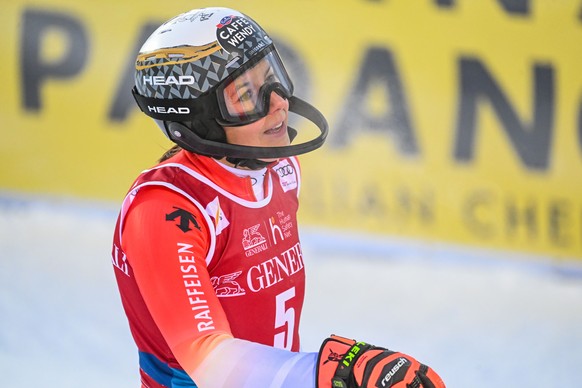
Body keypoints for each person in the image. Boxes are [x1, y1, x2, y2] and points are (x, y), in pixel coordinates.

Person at [111, 6, 445, 388]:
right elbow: (207, 357)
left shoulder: (280, 172)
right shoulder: (162, 210)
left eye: (274, 79)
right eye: (247, 95)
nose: (278, 103)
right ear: (198, 118)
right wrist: (333, 374)